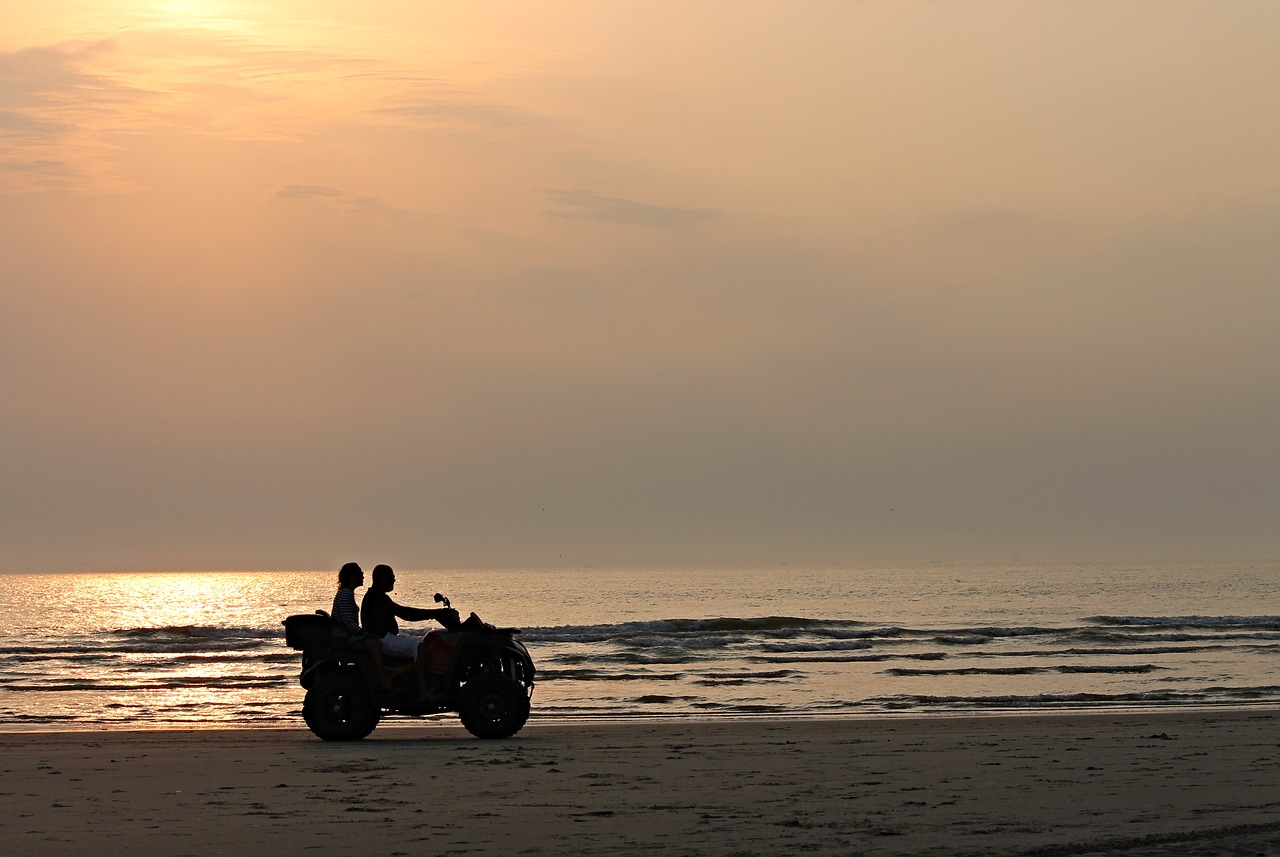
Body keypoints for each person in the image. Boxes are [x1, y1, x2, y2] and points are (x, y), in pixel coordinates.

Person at [361, 564, 458, 699]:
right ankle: (423, 692)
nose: (394, 580)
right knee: (419, 647)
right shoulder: (377, 597)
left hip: (385, 638)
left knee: (423, 646)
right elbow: (405, 613)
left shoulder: (376, 596)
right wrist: (434, 613)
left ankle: (398, 675)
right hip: (383, 639)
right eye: (391, 577)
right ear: (382, 578)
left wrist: (435, 613)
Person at [330, 561, 389, 689]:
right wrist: (362, 633)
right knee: (375, 644)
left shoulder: (346, 593)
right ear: (351, 576)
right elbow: (347, 621)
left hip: (346, 636)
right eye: (360, 574)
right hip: (344, 638)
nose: (363, 576)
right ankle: (382, 681)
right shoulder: (345, 594)